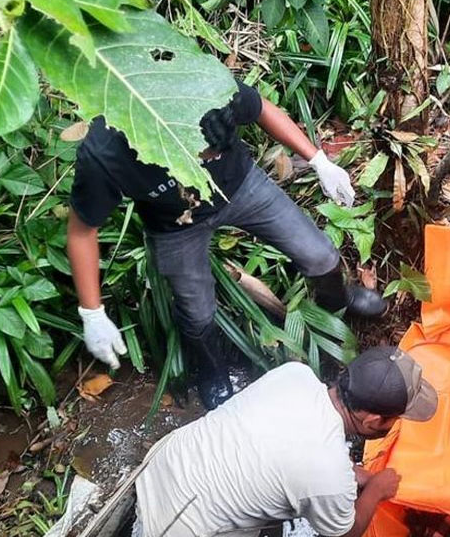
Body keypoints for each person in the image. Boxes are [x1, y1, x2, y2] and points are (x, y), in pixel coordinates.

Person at [67, 80, 385, 409]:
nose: (210, 160)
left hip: (241, 187)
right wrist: (91, 312)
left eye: (216, 152)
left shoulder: (206, 83)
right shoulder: (106, 153)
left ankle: (337, 305)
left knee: (321, 257)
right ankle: (211, 372)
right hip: (174, 225)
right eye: (204, 156)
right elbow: (81, 230)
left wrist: (318, 160)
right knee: (197, 312)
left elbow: (261, 108)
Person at [134, 346, 438, 537]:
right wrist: (377, 490)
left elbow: (280, 440)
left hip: (161, 472)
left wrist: (352, 476)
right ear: (372, 421)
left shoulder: (295, 375)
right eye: (395, 420)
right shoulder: (328, 474)